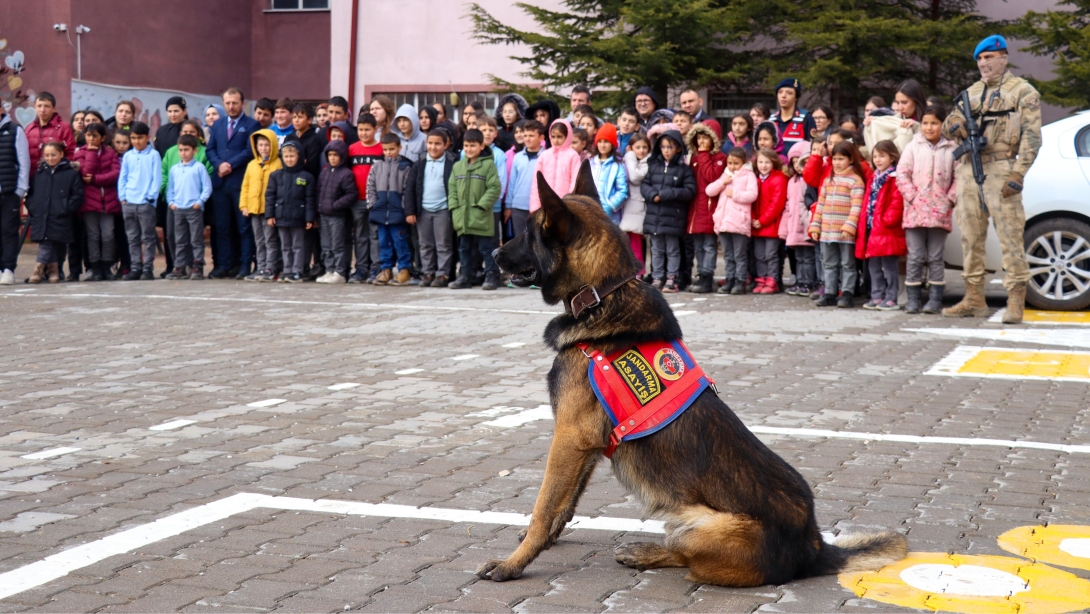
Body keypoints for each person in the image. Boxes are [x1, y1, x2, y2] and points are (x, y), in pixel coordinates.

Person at [942, 34, 1041, 324]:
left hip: (1002, 168)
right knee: (970, 237)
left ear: (1003, 58)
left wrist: (1018, 173)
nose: (984, 63)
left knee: (1010, 236)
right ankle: (974, 298)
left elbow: (1032, 138)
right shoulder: (970, 92)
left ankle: (1015, 300)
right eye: (980, 59)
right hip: (969, 170)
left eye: (989, 57)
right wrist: (957, 124)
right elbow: (948, 126)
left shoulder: (1023, 91)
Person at [897, 104, 957, 314]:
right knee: (914, 256)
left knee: (935, 256)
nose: (929, 128)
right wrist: (912, 196)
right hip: (915, 211)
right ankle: (913, 299)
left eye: (934, 123)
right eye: (925, 123)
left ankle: (934, 299)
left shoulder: (952, 148)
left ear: (943, 124)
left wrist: (949, 199)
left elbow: (959, 178)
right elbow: (902, 174)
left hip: (940, 212)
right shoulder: (913, 147)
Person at [206, 87, 260, 279]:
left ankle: (245, 265)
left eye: (235, 102)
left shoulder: (252, 124)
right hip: (220, 184)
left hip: (240, 182)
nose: (231, 106)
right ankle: (223, 265)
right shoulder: (218, 125)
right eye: (227, 103)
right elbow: (210, 150)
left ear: (242, 103)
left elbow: (250, 150)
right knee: (222, 227)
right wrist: (219, 164)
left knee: (243, 227)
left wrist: (231, 164)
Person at [809, 141, 867, 308]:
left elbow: (857, 206)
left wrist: (850, 225)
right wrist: (815, 225)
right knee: (828, 262)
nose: (837, 163)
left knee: (848, 263)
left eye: (841, 159)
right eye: (834, 159)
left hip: (845, 232)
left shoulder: (855, 181)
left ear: (851, 159)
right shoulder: (828, 180)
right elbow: (820, 205)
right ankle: (830, 292)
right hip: (827, 230)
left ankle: (847, 292)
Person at [641, 128, 695, 293]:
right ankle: (658, 276)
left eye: (670, 147)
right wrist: (651, 195)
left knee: (672, 250)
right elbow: (645, 185)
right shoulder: (654, 166)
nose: (666, 151)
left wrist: (666, 194)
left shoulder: (684, 170)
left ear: (678, 148)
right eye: (663, 147)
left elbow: (689, 191)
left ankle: (672, 278)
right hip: (654, 217)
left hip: (673, 218)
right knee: (656, 249)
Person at [447, 129, 501, 291]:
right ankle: (465, 276)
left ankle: (491, 276)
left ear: (481, 145)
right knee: (464, 248)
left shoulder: (488, 165)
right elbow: (452, 189)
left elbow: (494, 187)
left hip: (481, 216)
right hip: (462, 217)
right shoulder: (458, 166)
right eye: (466, 146)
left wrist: (481, 205)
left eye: (473, 145)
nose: (469, 149)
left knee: (486, 248)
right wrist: (454, 207)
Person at [856, 140, 906, 311]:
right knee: (873, 264)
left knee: (889, 265)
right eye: (875, 156)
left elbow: (897, 202)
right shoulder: (873, 177)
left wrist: (887, 220)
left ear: (892, 157)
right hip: (871, 227)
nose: (877, 160)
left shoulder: (894, 178)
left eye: (882, 156)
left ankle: (891, 297)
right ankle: (877, 295)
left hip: (887, 229)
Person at [404, 129, 456, 287]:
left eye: (438, 143)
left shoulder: (451, 163)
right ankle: (428, 272)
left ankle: (443, 274)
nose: (433, 147)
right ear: (426, 144)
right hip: (423, 211)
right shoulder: (419, 163)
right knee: (425, 244)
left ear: (445, 145)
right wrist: (410, 211)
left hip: (443, 210)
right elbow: (410, 188)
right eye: (430, 143)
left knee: (443, 244)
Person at [25, 142, 82, 284]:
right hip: (42, 214)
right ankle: (54, 272)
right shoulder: (39, 173)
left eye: (54, 155)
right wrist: (33, 207)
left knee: (49, 243)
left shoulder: (70, 173)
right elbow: (31, 194)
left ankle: (38, 270)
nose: (50, 158)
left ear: (61, 154)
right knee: (47, 242)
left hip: (60, 215)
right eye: (47, 155)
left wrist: (65, 208)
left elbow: (77, 196)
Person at [283, 103, 327, 280]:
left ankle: (313, 265)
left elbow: (311, 164)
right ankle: (294, 267)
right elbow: (285, 161)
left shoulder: (314, 139)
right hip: (290, 189)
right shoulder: (289, 138)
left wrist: (300, 163)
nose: (296, 120)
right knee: (292, 234)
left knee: (310, 230)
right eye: (294, 117)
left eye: (300, 117)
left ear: (309, 120)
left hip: (308, 187)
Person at [72, 123, 120, 282]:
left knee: (108, 235)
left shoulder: (111, 153)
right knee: (92, 236)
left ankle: (107, 266)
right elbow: (86, 172)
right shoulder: (80, 153)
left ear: (103, 138)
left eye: (95, 136)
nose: (91, 139)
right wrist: (91, 152)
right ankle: (95, 267)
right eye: (88, 135)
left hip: (109, 202)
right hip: (89, 203)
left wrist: (96, 180)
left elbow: (115, 174)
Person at [117, 122, 163, 280]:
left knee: (148, 237)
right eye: (133, 138)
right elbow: (123, 177)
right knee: (132, 237)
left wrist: (150, 198)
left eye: (140, 138)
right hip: (129, 202)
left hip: (145, 203)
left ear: (148, 137)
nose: (136, 141)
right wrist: (122, 197)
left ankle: (148, 268)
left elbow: (157, 179)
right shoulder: (128, 155)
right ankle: (136, 267)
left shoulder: (153, 155)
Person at [265, 141, 316, 283]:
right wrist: (270, 215)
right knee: (285, 246)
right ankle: (287, 270)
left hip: (299, 218)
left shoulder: (307, 177)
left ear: (299, 157)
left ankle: (298, 271)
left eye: (292, 156)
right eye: (286, 156)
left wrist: (309, 218)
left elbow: (310, 199)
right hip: (281, 216)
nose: (289, 159)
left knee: (298, 246)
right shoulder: (275, 176)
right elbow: (270, 196)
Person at [709, 147, 758, 295]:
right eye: (729, 163)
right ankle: (729, 279)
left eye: (736, 163)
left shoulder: (748, 176)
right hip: (724, 223)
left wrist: (735, 194)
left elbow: (752, 195)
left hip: (739, 223)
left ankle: (740, 281)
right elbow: (709, 191)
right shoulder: (726, 175)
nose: (732, 166)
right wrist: (722, 183)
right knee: (728, 255)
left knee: (739, 256)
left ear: (743, 162)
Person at [683, 122, 725, 293]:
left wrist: (703, 154)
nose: (701, 141)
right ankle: (701, 274)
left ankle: (708, 276)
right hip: (695, 209)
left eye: (704, 137)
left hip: (709, 209)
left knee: (709, 245)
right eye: (698, 137)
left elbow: (711, 176)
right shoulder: (694, 158)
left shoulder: (719, 158)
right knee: (698, 246)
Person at [367, 133, 414, 286]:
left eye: (392, 149)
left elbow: (408, 190)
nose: (388, 153)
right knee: (383, 242)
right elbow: (371, 185)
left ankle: (404, 270)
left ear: (399, 148)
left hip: (397, 213)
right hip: (381, 212)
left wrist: (404, 208)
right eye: (385, 150)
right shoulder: (377, 165)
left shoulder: (405, 167)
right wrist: (373, 205)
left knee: (400, 241)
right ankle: (386, 269)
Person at [166, 134, 212, 280]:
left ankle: (197, 266)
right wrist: (171, 203)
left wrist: (199, 202)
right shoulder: (174, 169)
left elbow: (207, 187)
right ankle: (179, 266)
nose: (183, 153)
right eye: (180, 150)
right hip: (178, 209)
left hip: (194, 209)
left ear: (195, 151)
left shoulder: (199, 167)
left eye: (186, 149)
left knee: (196, 239)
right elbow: (170, 188)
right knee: (180, 240)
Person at [239, 130, 282, 281]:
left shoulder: (278, 164)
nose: (263, 148)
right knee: (259, 240)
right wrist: (244, 205)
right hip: (254, 209)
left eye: (266, 145)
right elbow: (245, 186)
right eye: (260, 145)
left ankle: (271, 268)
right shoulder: (252, 165)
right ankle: (261, 268)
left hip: (269, 210)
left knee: (271, 240)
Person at [315, 139, 358, 283]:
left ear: (342, 156)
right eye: (330, 155)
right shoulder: (324, 173)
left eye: (335, 155)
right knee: (326, 245)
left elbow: (351, 194)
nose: (332, 158)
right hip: (324, 215)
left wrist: (335, 205)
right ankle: (329, 270)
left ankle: (340, 272)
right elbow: (319, 192)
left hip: (337, 216)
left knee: (337, 244)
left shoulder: (346, 174)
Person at [347, 113, 382, 283]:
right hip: (357, 200)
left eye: (367, 129)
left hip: (376, 200)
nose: (364, 133)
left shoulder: (382, 149)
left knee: (375, 234)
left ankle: (376, 267)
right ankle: (361, 268)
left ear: (376, 129)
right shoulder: (352, 149)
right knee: (360, 235)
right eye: (360, 130)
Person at [749, 149, 788, 294]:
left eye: (767, 162)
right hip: (757, 225)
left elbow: (776, 204)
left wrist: (762, 221)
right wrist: (753, 219)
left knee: (771, 255)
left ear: (774, 162)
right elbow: (751, 201)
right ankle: (761, 279)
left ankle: (772, 280)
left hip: (771, 225)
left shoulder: (779, 178)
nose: (763, 165)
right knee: (759, 255)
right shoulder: (755, 179)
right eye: (760, 162)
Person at [782, 141, 817, 297]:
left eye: (799, 161)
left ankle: (808, 282)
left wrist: (805, 220)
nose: (797, 165)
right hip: (793, 226)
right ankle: (800, 281)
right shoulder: (792, 181)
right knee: (799, 257)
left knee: (808, 257)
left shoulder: (808, 180)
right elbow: (788, 205)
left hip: (805, 225)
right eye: (794, 162)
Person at [0, 103, 30, 285]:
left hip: (8, 192)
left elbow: (23, 162)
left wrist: (20, 189)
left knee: (9, 231)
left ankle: (8, 268)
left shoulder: (14, 130)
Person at [529, 120, 581, 213]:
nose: (556, 140)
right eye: (553, 137)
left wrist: (569, 204)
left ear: (567, 136)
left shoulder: (573, 156)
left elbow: (575, 182)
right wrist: (535, 207)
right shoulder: (544, 155)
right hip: (545, 205)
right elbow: (536, 182)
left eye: (559, 137)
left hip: (565, 207)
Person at [506, 119, 545, 241]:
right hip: (518, 206)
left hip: (538, 207)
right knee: (520, 241)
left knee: (538, 242)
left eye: (531, 135)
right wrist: (508, 206)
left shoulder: (546, 157)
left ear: (541, 137)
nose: (527, 138)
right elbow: (512, 183)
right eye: (525, 135)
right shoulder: (517, 157)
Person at [620, 133, 651, 269]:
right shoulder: (629, 161)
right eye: (637, 147)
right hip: (628, 207)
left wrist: (630, 156)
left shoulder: (647, 162)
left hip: (638, 208)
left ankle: (638, 271)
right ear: (631, 147)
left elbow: (635, 176)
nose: (641, 150)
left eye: (645, 147)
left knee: (637, 243)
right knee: (626, 242)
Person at [589, 123, 628, 225]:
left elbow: (622, 191)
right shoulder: (590, 163)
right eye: (600, 141)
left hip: (609, 217)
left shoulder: (618, 166)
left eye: (606, 142)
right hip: (589, 211)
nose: (602, 145)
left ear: (613, 144)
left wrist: (609, 205)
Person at [26, 92, 75, 173]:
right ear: (34, 107)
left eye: (47, 106)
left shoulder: (64, 128)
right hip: (32, 178)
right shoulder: (29, 129)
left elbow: (71, 154)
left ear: (54, 109)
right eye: (39, 106)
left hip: (55, 177)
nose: (42, 110)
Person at [769, 78, 815, 158]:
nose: (783, 96)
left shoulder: (806, 118)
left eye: (789, 93)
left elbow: (812, 147)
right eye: (780, 92)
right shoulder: (771, 120)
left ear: (796, 97)